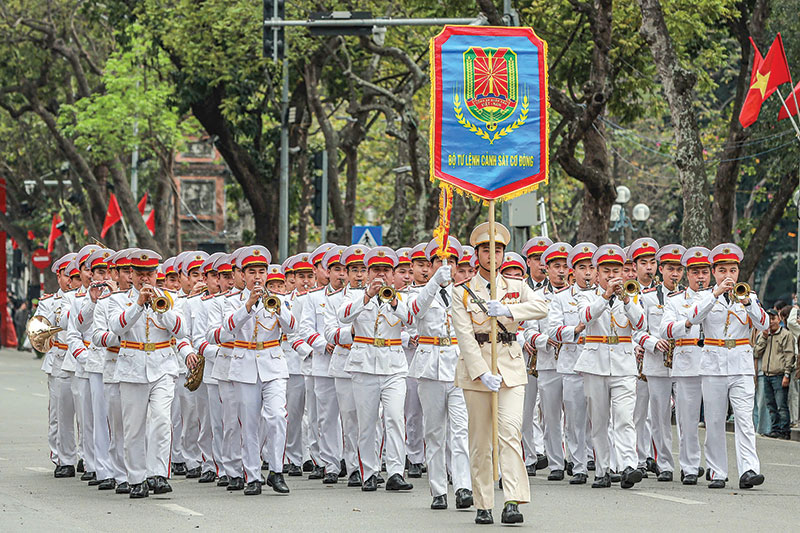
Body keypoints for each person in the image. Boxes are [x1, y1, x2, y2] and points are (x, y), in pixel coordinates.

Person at [452, 222, 548, 525]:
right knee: (481, 441)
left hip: (510, 366)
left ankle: (512, 499)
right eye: (485, 249)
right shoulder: (463, 292)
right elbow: (465, 338)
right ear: (476, 254)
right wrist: (481, 372)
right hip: (477, 371)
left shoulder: (515, 287)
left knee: (509, 433)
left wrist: (509, 311)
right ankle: (483, 502)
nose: (492, 255)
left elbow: (542, 307)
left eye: (498, 249)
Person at [686, 243, 768, 489]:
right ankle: (717, 471)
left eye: (732, 271)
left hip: (741, 364)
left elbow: (763, 325)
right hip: (713, 364)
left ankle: (749, 470)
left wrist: (747, 303)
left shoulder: (749, 296)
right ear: (714, 272)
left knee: (744, 420)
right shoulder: (703, 297)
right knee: (714, 421)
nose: (728, 276)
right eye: (722, 270)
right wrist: (715, 294)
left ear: (738, 272)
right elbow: (692, 318)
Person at [109, 249, 190, 498]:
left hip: (163, 367)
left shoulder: (170, 298)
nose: (146, 279)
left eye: (150, 274)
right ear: (131, 274)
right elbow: (117, 327)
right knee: (134, 427)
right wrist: (138, 305)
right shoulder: (119, 300)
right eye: (141, 274)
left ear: (158, 275)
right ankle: (136, 478)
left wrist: (161, 309)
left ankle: (158, 474)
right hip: (132, 367)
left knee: (162, 420)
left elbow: (182, 330)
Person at [337, 246, 415, 493]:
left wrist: (392, 300)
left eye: (386, 270)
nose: (381, 275)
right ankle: (368, 473)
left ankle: (395, 472)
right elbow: (344, 317)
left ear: (393, 275)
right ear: (369, 273)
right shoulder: (355, 297)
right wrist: (368, 296)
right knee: (367, 422)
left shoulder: (403, 298)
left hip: (393, 366)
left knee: (394, 417)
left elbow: (410, 319)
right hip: (364, 367)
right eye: (376, 270)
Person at [220, 245, 296, 495]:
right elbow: (228, 328)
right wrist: (249, 305)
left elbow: (292, 327)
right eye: (251, 272)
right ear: (242, 275)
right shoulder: (231, 301)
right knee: (249, 424)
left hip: (273, 363)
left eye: (261, 271)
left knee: (276, 416)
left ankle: (276, 470)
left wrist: (275, 306)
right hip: (243, 365)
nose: (257, 277)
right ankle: (252, 475)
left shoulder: (280, 299)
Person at [407, 237, 473, 511]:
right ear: (432, 266)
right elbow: (413, 314)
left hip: (459, 366)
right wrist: (434, 283)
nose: (445, 267)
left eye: (451, 263)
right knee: (434, 432)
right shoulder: (418, 293)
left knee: (460, 431)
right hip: (430, 367)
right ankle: (437, 490)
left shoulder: (465, 293)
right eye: (439, 262)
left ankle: (463, 486)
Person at [575, 244, 647, 490]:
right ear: (596, 273)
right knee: (599, 420)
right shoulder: (585, 295)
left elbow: (640, 323)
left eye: (616, 270)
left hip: (624, 364)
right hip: (595, 364)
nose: (611, 275)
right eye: (606, 271)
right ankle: (604, 469)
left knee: (624, 417)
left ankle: (628, 465)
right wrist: (605, 296)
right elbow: (584, 318)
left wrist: (625, 299)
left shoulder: (633, 295)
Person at [659, 246, 711, 485]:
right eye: (696, 272)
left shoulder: (719, 298)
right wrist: (688, 322)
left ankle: (714, 467)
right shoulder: (675, 301)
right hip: (687, 362)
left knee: (714, 420)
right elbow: (666, 329)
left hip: (714, 365)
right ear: (687, 275)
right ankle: (690, 467)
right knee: (687, 421)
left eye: (705, 272)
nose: (701, 277)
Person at [636, 244, 686, 482]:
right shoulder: (646, 298)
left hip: (685, 362)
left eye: (678, 270)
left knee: (686, 416)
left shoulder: (688, 298)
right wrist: (653, 343)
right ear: (661, 271)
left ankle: (690, 463)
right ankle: (664, 463)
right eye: (670, 269)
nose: (674, 274)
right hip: (657, 362)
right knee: (659, 417)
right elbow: (637, 332)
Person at [549, 242, 597, 485]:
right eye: (582, 267)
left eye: (591, 267)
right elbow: (553, 330)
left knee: (600, 418)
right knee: (575, 420)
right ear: (572, 271)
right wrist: (575, 329)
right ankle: (578, 465)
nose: (587, 273)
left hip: (599, 364)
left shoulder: (604, 296)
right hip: (573, 363)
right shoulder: (560, 299)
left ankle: (602, 463)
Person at [324, 245, 368, 488]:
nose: (359, 275)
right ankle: (353, 467)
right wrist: (353, 331)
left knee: (374, 418)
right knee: (350, 418)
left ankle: (370, 465)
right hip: (345, 363)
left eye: (363, 270)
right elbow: (330, 333)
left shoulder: (379, 295)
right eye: (354, 270)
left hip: (371, 363)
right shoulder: (334, 300)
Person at [754, 309, 794, 440]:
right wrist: (764, 338)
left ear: (779, 319)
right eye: (768, 319)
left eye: (773, 319)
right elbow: (756, 352)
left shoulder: (786, 335)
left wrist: (787, 374)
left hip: (779, 374)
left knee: (781, 404)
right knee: (770, 404)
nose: (771, 322)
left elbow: (789, 355)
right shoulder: (764, 335)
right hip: (766, 374)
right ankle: (775, 428)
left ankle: (784, 430)